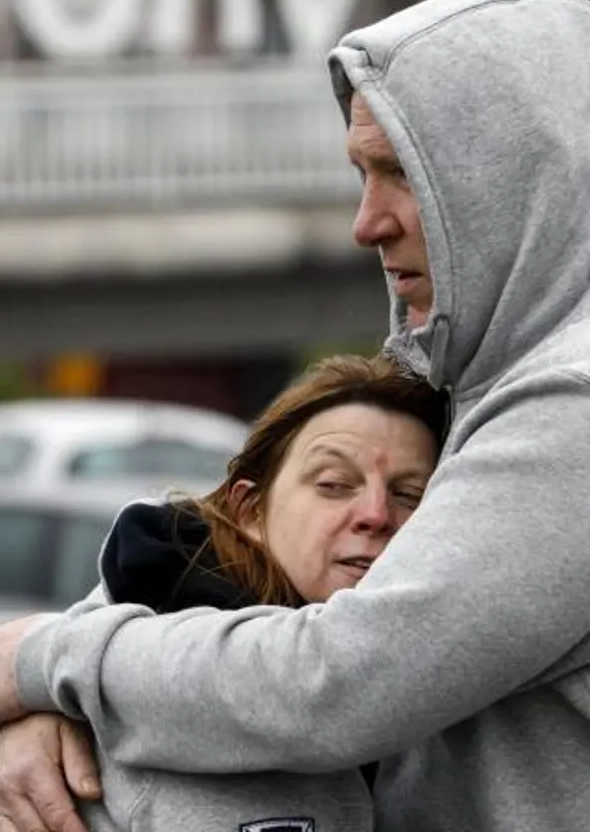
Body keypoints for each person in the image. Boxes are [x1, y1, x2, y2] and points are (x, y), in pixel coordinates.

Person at [0, 0, 590, 832]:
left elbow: (332, 685)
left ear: (508, 176)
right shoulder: (519, 346)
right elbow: (223, 542)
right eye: (361, 174)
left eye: (401, 174)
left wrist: (56, 664)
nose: (366, 221)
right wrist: (52, 689)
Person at [78, 354, 447, 832]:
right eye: (334, 485)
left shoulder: (447, 671)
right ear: (251, 509)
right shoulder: (162, 675)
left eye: (409, 495)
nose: (376, 514)